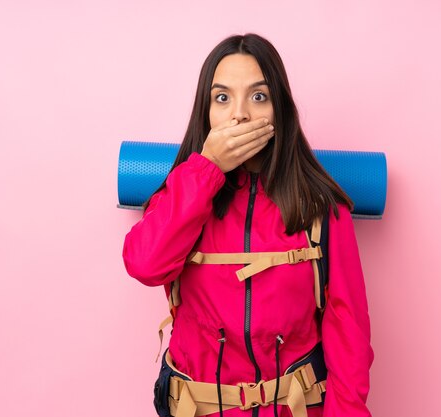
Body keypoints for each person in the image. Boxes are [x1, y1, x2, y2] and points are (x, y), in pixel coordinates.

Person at [122, 33, 374, 417]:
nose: (240, 114)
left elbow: (349, 335)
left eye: (259, 97)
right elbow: (144, 264)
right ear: (205, 113)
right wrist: (206, 170)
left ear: (279, 110)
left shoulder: (323, 209)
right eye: (222, 98)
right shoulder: (181, 194)